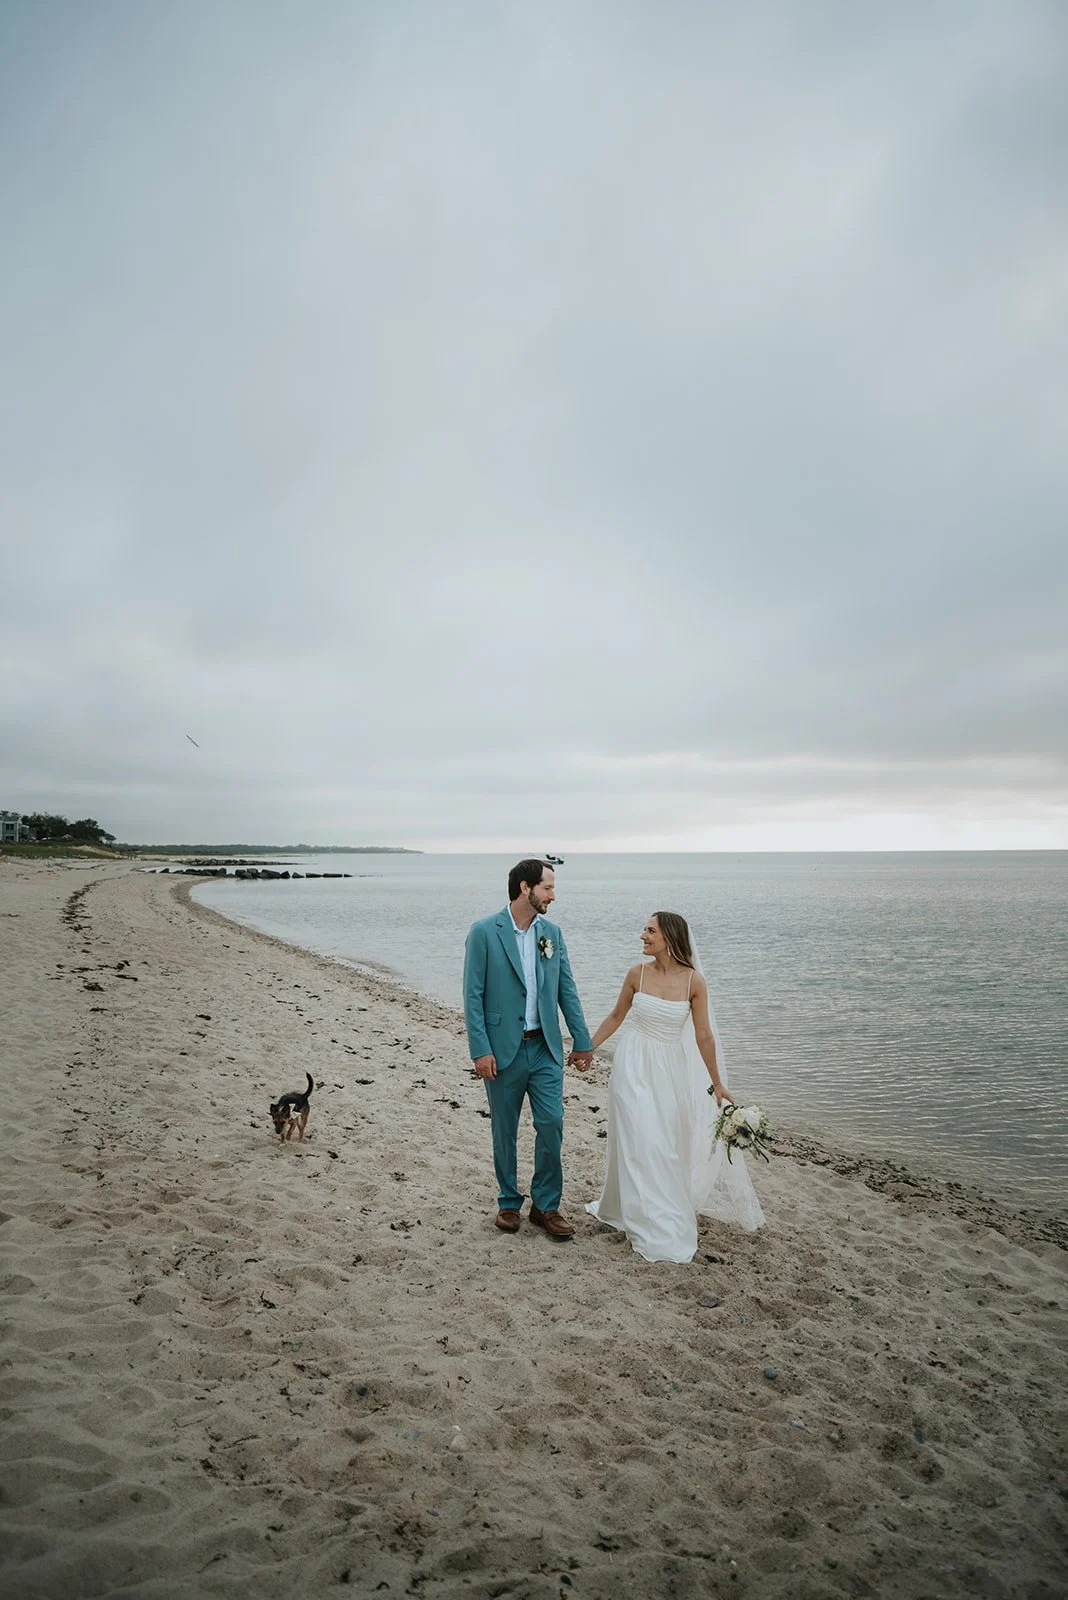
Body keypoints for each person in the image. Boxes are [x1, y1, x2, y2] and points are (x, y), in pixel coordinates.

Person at [586, 911, 765, 1263]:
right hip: (632, 1065)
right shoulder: (636, 974)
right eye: (644, 929)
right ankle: (638, 1215)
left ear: (669, 937)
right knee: (638, 1139)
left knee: (663, 1143)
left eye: (650, 930)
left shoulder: (693, 982)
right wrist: (587, 1048)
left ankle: (662, 1214)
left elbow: (703, 1035)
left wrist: (717, 1084)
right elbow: (615, 1017)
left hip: (669, 1071)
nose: (642, 935)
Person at [463, 859, 593, 1240]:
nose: (553, 895)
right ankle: (508, 1200)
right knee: (505, 1129)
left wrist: (582, 1040)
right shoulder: (485, 932)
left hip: (545, 1048)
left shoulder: (552, 933)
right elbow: (473, 996)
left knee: (551, 1123)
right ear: (526, 888)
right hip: (502, 1050)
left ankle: (545, 1206)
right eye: (548, 888)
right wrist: (480, 1049)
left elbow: (566, 989)